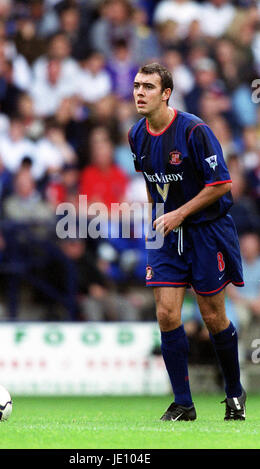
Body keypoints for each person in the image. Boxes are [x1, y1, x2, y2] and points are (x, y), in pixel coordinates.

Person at [129, 62, 246, 421]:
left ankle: (234, 393)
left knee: (213, 316)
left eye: (148, 87)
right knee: (166, 314)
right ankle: (183, 403)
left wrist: (181, 213)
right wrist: (157, 221)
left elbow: (222, 184)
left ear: (166, 94)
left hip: (206, 231)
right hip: (166, 233)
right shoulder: (136, 134)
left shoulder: (195, 130)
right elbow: (153, 187)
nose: (139, 92)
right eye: (136, 85)